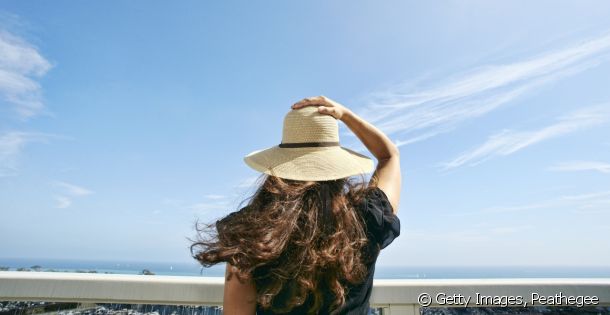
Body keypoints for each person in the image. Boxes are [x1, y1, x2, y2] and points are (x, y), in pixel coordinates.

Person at [190, 96, 401, 315]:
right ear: (337, 169)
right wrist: (344, 114)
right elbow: (389, 155)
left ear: (278, 169)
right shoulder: (366, 218)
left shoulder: (251, 235)